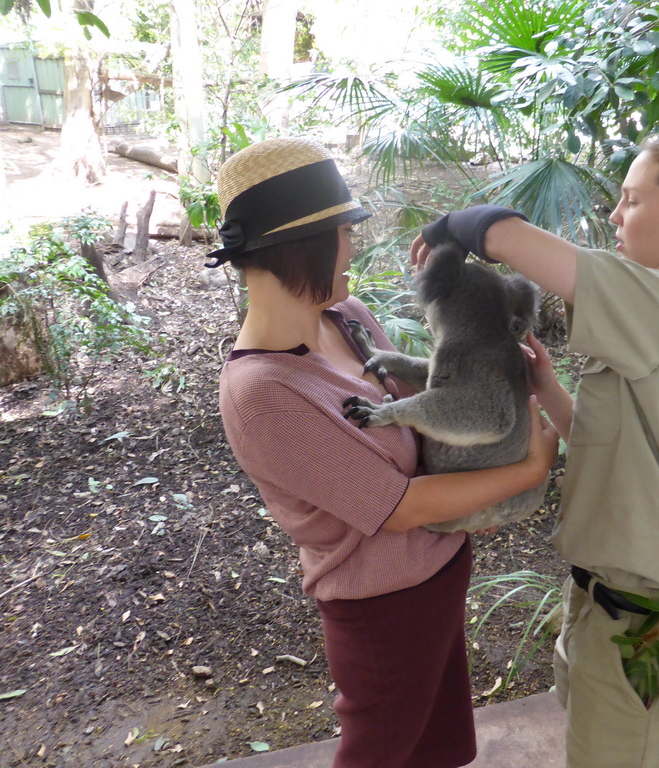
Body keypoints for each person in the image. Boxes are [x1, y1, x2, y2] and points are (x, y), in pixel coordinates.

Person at [410, 132, 659, 768]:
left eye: (633, 200)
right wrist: (550, 389)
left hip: (643, 617)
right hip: (605, 599)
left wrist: (452, 226)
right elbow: (613, 440)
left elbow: (503, 239)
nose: (614, 215)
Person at [208, 137, 558, 768]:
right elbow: (396, 506)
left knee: (437, 744)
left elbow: (434, 395)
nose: (354, 244)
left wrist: (500, 372)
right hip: (383, 607)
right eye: (344, 230)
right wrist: (530, 468)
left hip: (440, 566)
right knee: (383, 752)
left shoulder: (345, 314)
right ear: (303, 244)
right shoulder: (262, 392)